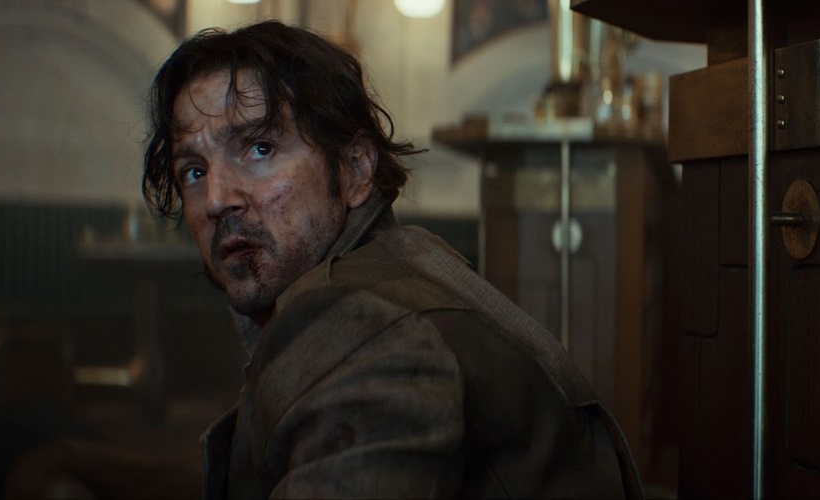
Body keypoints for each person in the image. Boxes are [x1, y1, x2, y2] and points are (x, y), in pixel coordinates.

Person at [142, 20, 640, 498]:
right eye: (194, 172)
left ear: (356, 170)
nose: (215, 200)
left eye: (260, 148)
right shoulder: (407, 268)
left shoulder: (356, 328)